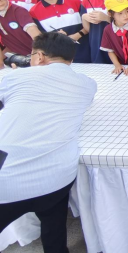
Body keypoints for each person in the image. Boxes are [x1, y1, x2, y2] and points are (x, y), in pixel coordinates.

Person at [0, 32, 97, 253]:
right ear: (71, 59)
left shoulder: (15, 77)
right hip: (56, 177)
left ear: (40, 56)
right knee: (54, 230)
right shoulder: (85, 83)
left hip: (8, 177)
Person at [27, 0, 91, 63]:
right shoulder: (34, 11)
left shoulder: (75, 2)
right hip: (58, 57)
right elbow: (42, 37)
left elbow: (88, 24)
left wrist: (77, 35)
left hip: (85, 49)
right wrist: (56, 37)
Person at [0, 0, 40, 65]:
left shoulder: (18, 11)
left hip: (36, 57)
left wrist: (35, 57)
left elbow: (37, 36)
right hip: (17, 59)